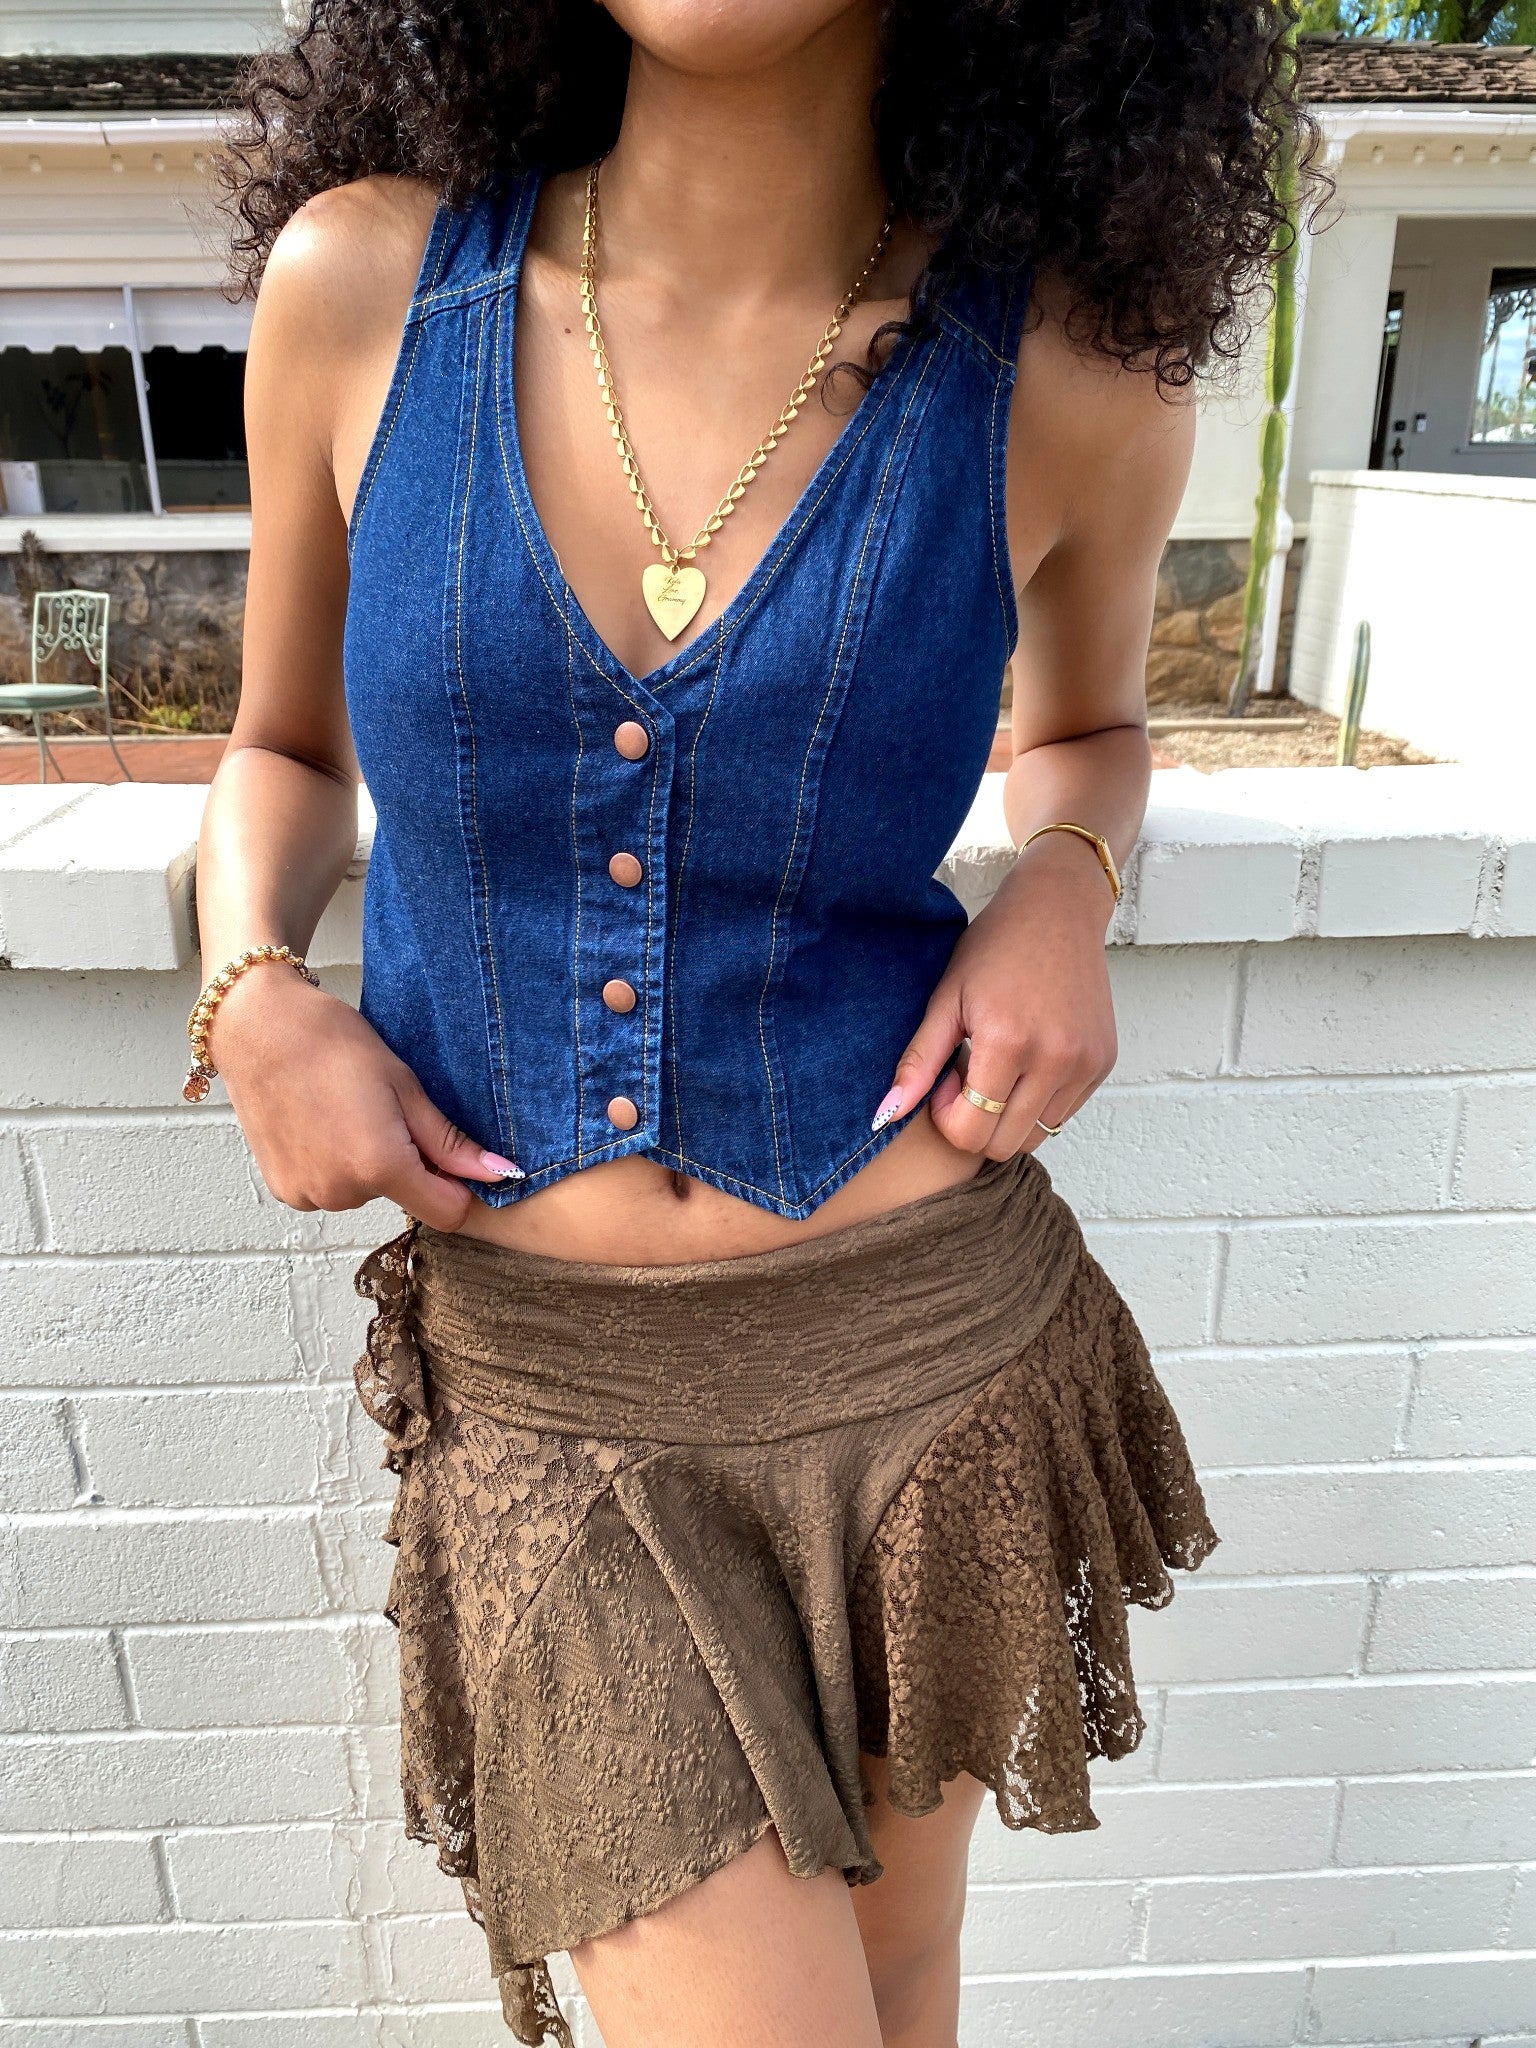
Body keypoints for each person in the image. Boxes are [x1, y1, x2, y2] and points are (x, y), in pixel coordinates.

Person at [192, 4, 1310, 2044]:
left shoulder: (1060, 365)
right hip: (550, 1385)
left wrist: (1066, 877)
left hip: (929, 1354)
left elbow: (1090, 729)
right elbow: (277, 747)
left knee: (898, 1994)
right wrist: (253, 983)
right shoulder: (361, 289)